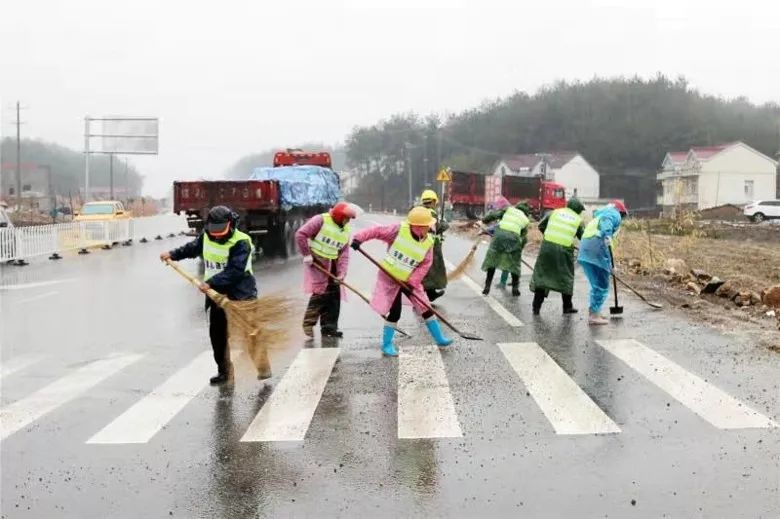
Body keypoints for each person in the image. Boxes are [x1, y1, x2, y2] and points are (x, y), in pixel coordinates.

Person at [160, 205, 257, 385]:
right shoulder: (206, 236)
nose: (217, 234)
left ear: (231, 224)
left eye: (221, 230)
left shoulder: (241, 241)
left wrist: (210, 283)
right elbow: (191, 249)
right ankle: (224, 372)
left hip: (241, 292)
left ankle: (262, 365)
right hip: (216, 295)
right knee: (218, 334)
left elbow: (235, 271)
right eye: (214, 230)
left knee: (250, 332)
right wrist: (172, 254)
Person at [351, 207, 453, 357]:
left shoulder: (428, 241)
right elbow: (376, 231)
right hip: (390, 278)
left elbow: (426, 263)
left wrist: (413, 281)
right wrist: (359, 238)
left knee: (425, 307)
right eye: (427, 225)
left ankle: (440, 338)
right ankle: (386, 345)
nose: (430, 227)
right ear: (417, 226)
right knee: (395, 312)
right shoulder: (398, 230)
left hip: (411, 279)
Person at [295, 202, 357, 338]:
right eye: (346, 218)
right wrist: (306, 254)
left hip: (332, 262)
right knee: (320, 293)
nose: (347, 222)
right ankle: (308, 323)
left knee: (334, 294)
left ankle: (329, 327)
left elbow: (344, 254)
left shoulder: (345, 229)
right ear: (339, 216)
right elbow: (301, 234)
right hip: (316, 260)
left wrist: (342, 273)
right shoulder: (320, 220)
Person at [530, 198, 586, 315]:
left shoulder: (554, 213)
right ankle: (567, 307)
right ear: (577, 209)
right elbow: (583, 237)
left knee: (543, 275)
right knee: (566, 276)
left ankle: (536, 307)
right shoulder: (578, 220)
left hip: (547, 247)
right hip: (564, 250)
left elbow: (541, 226)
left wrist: (550, 236)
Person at [577, 200, 628, 325]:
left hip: (585, 251)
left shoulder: (597, 217)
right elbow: (607, 226)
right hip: (596, 248)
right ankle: (594, 315)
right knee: (602, 284)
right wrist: (607, 235)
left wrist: (609, 265)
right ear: (620, 211)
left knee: (596, 284)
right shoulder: (613, 213)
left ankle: (595, 311)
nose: (621, 218)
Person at [480, 200, 531, 296]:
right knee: (514, 264)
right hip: (514, 238)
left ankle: (487, 286)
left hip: (499, 235)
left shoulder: (509, 209)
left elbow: (494, 215)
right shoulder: (526, 220)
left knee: (492, 261)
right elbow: (523, 238)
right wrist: (518, 250)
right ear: (526, 212)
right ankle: (515, 288)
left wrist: (484, 220)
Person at [419, 189, 448, 302]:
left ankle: (429, 293)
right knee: (431, 269)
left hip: (421, 244)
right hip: (431, 245)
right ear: (433, 202)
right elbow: (439, 227)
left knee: (424, 268)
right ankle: (428, 293)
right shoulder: (432, 213)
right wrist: (445, 224)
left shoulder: (419, 211)